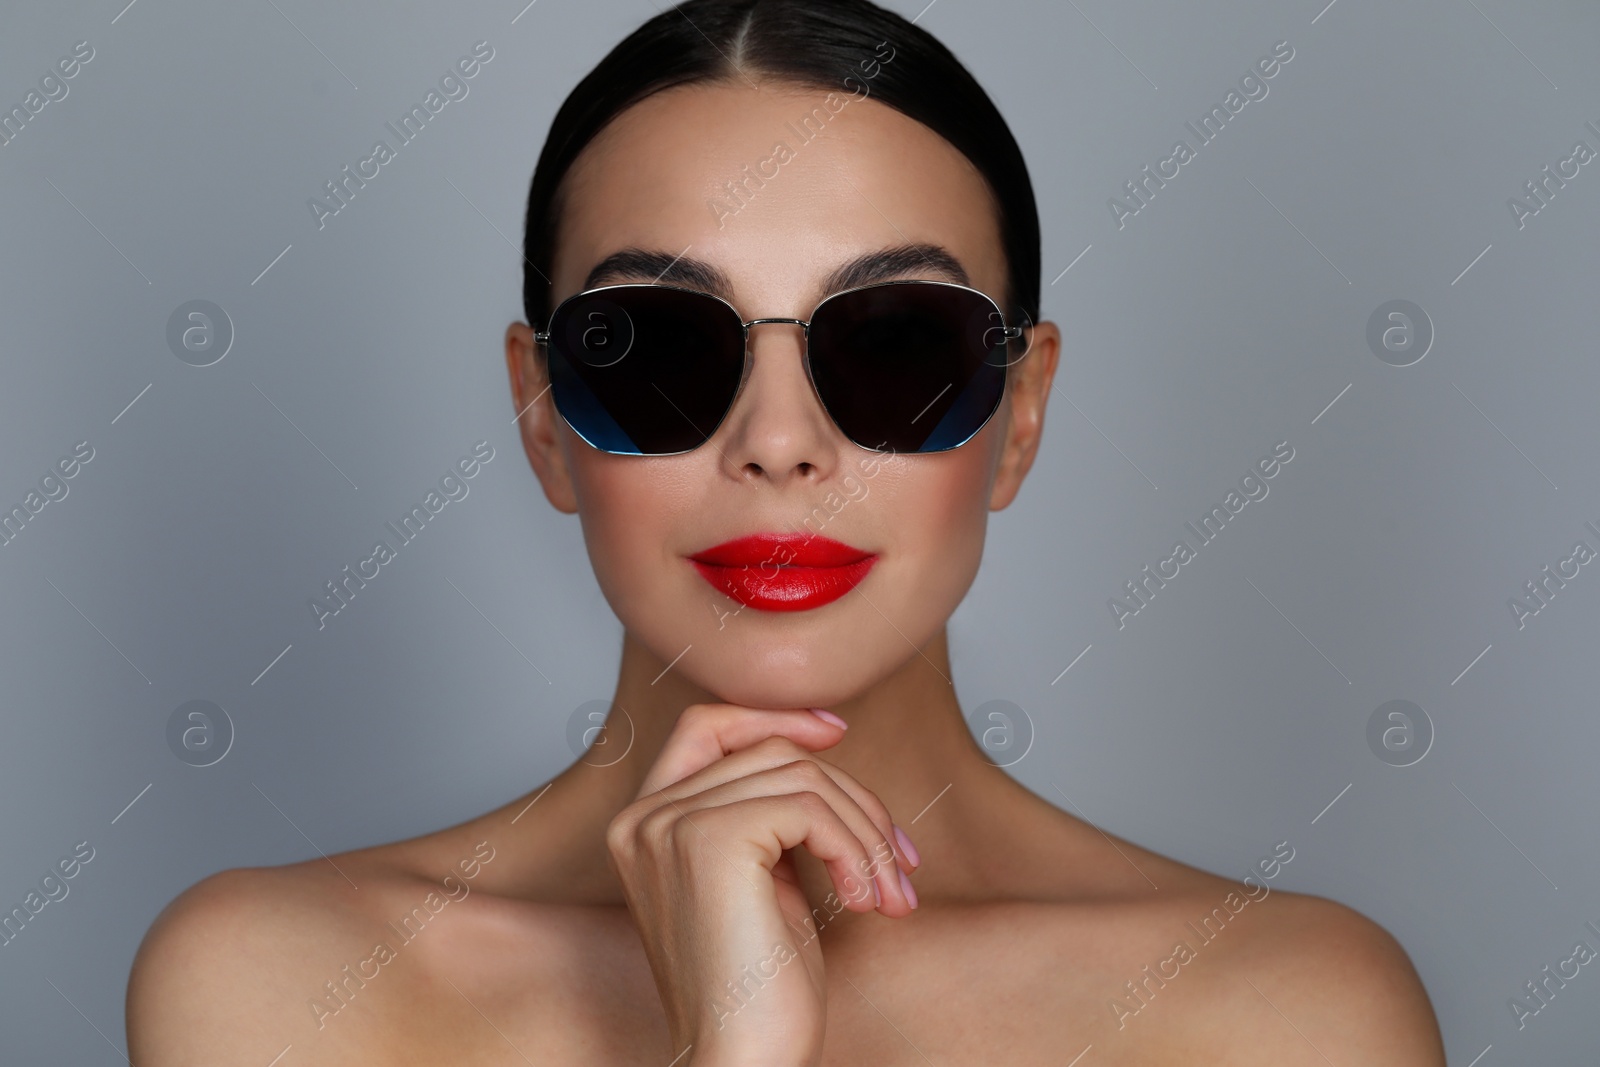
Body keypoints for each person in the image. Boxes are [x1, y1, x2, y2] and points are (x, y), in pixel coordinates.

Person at [126, 1, 1447, 1062]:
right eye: (654, 350)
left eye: (895, 348)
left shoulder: (1291, 1012)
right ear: (542, 417)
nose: (778, 440)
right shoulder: (281, 987)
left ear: (1021, 414)